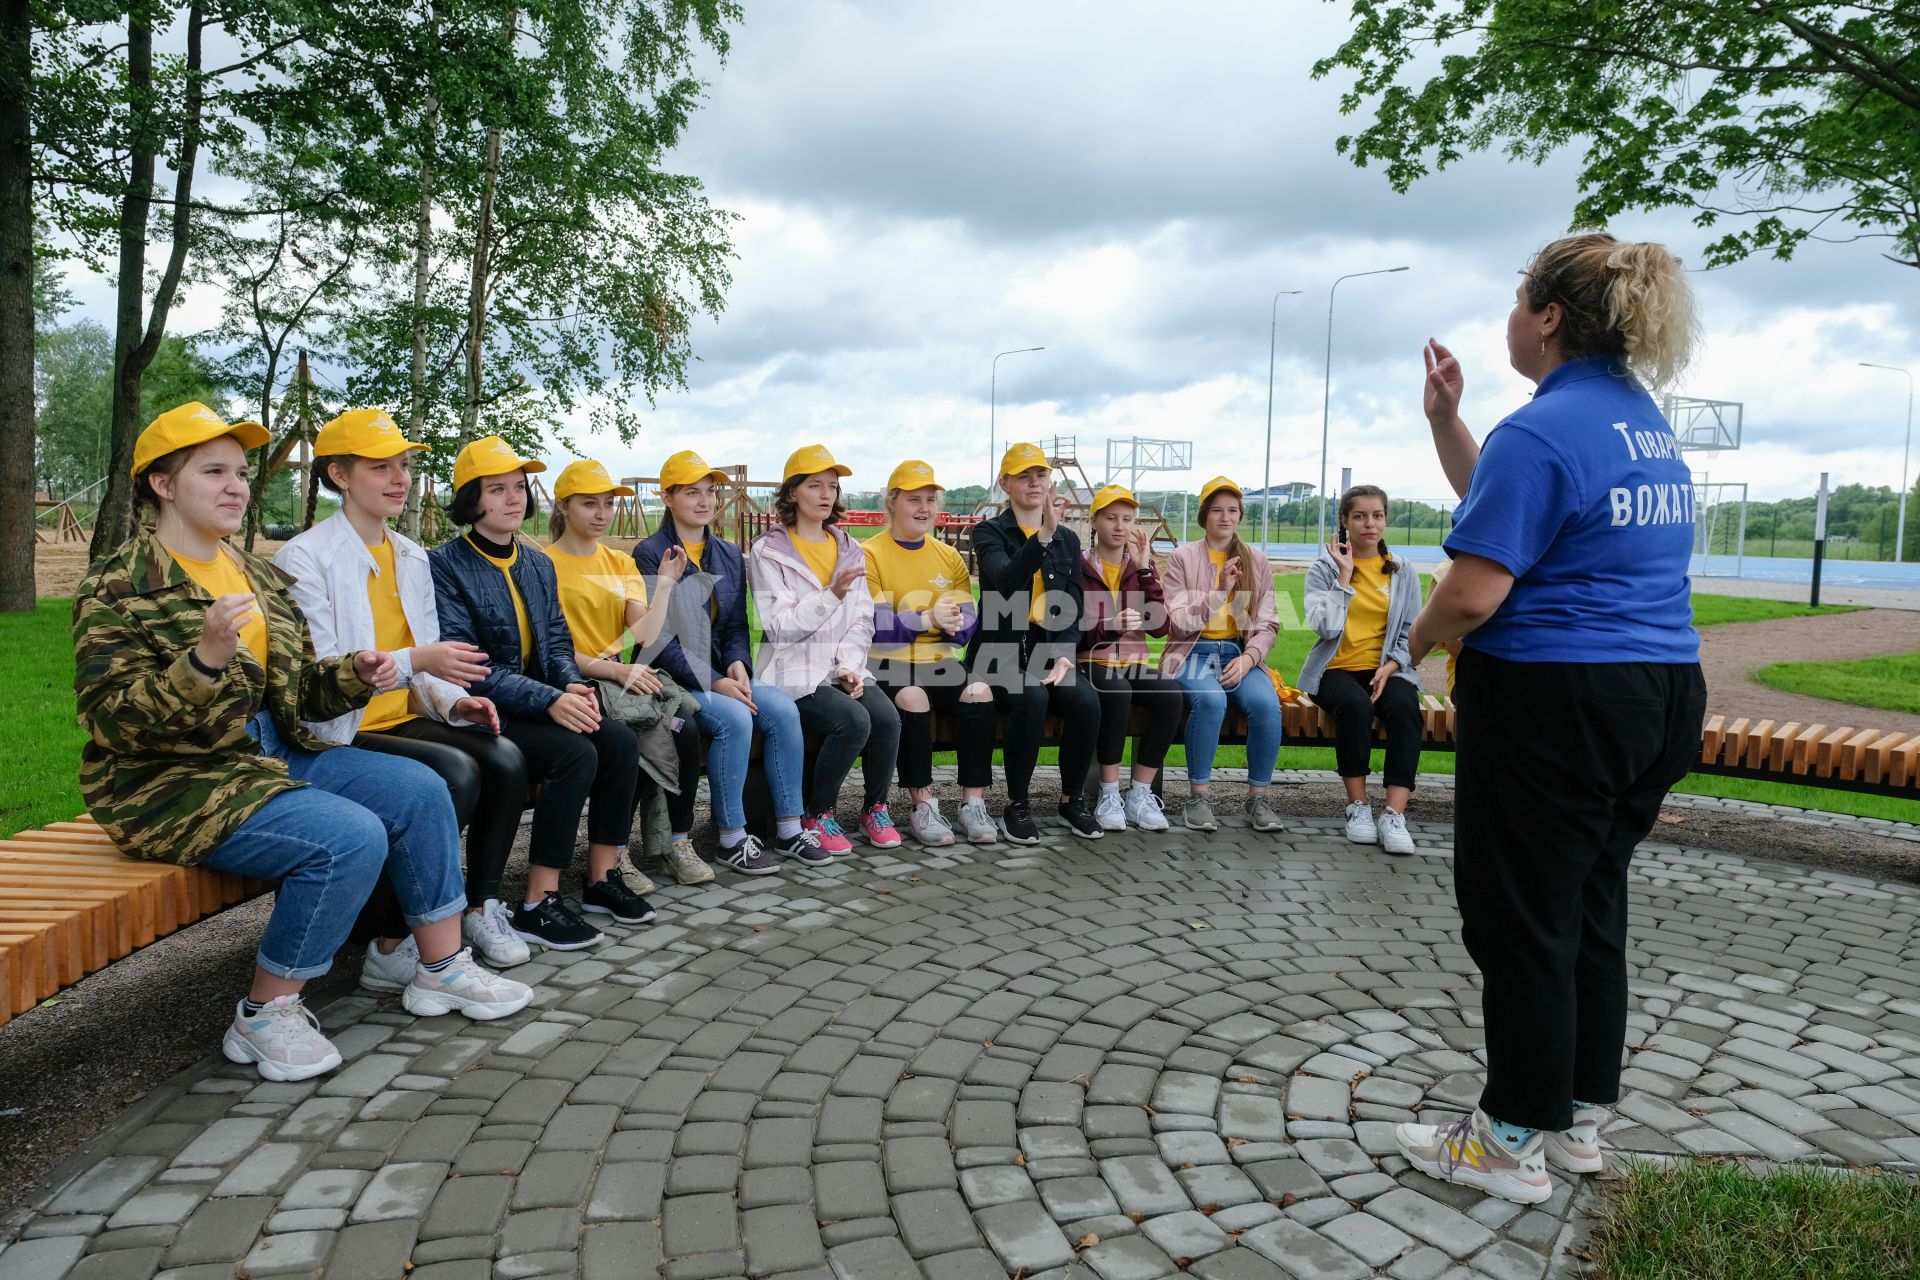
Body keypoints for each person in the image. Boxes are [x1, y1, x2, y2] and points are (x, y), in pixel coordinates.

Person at [74, 404, 530, 1081]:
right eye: (213, 472)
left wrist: (354, 674)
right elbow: (114, 723)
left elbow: (294, 694)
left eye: (239, 472)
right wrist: (200, 661)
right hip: (173, 780)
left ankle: (440, 966)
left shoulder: (255, 576)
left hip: (271, 752)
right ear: (163, 486)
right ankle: (265, 1012)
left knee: (421, 787)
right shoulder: (119, 586)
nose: (236, 486)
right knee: (347, 835)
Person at [1395, 232, 1709, 1205]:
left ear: (1548, 317)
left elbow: (1477, 585)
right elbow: (1508, 501)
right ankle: (1575, 1120)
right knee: (1588, 907)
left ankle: (1507, 1138)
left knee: (1522, 917)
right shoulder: (1633, 420)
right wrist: (1450, 424)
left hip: (1554, 700)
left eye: (1516, 296)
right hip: (1656, 694)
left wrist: (1412, 647)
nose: (1507, 316)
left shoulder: (1545, 430)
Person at [274, 408, 533, 972]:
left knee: (505, 758)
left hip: (402, 715)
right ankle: (390, 939)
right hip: (342, 730)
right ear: (339, 475)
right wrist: (416, 661)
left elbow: (426, 662)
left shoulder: (412, 555)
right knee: (454, 774)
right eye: (380, 467)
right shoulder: (304, 557)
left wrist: (455, 701)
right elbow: (325, 671)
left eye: (404, 465)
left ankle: (478, 906)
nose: (400, 478)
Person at [430, 436, 649, 949]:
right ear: (470, 499)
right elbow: (468, 666)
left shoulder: (535, 563)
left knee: (616, 741)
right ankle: (538, 901)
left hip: (535, 699)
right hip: (482, 710)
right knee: (573, 753)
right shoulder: (446, 566)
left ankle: (600, 880)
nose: (513, 498)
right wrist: (549, 699)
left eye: (519, 487)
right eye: (496, 489)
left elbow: (554, 642)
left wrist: (571, 684)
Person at [634, 449, 815, 872]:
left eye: (711, 492)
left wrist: (737, 665)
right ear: (666, 498)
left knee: (784, 710)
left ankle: (789, 827)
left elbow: (735, 624)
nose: (705, 501)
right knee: (735, 719)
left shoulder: (730, 554)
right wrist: (715, 681)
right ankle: (731, 838)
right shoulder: (650, 553)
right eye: (692, 492)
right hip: (673, 678)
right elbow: (659, 639)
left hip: (721, 675)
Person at [543, 458, 711, 888]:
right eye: (589, 504)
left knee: (683, 728)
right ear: (563, 507)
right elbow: (550, 648)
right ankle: (614, 854)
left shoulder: (618, 563)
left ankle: (677, 842)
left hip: (620, 679)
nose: (602, 514)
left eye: (607, 504)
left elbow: (645, 632)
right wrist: (614, 672)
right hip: (573, 681)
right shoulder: (543, 565)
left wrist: (667, 583)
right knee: (631, 736)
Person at [748, 445, 903, 853]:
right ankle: (818, 813)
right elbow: (780, 627)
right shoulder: (768, 552)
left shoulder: (850, 547)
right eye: (814, 485)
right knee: (852, 721)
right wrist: (831, 594)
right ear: (792, 493)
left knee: (885, 716)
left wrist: (850, 666)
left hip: (839, 670)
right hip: (791, 674)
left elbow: (862, 617)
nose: (825, 494)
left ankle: (874, 808)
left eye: (832, 486)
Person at [969, 442, 1102, 843]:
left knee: (1085, 700)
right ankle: (1017, 804)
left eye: (1040, 475)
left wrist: (1064, 654)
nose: (1033, 483)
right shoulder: (989, 532)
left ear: (1051, 481)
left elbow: (1073, 606)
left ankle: (1070, 800)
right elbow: (1007, 581)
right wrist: (1042, 534)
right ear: (1004, 483)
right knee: (1032, 697)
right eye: (1023, 475)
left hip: (1048, 648)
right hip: (1000, 650)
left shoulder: (1068, 541)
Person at [864, 460, 998, 846]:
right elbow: (875, 625)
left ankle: (973, 803)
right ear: (892, 503)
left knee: (980, 692)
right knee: (912, 697)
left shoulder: (948, 556)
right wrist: (927, 619)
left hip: (940, 661)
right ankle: (923, 805)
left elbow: (967, 619)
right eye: (913, 499)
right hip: (887, 663)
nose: (924, 508)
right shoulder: (870, 553)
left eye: (929, 499)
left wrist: (958, 625)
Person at [1300, 483, 1425, 855]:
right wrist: (1344, 577)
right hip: (1334, 671)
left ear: (1385, 520)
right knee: (1356, 707)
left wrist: (1392, 666)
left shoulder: (1402, 570)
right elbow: (1324, 627)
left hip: (1387, 668)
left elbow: (1411, 631)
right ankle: (1358, 807)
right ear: (1344, 521)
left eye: (1377, 515)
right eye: (1360, 516)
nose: (1369, 523)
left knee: (1406, 709)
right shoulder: (1323, 568)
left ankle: (1394, 814)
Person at [1161, 476, 1284, 833]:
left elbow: (1267, 622)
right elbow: (1177, 622)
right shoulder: (1183, 558)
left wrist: (1249, 659)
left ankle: (1257, 798)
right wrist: (1218, 592)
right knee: (1211, 701)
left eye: (1232, 510)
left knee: (1266, 705)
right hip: (1192, 652)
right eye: (1217, 510)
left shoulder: (1256, 560)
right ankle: (1198, 797)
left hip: (1237, 653)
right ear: (1204, 516)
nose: (1225, 517)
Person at [1076, 484, 1177, 831]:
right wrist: (1108, 626)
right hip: (1090, 660)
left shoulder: (1138, 570)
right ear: (1094, 521)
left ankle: (1140, 794)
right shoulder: (1078, 565)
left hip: (1132, 661)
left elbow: (1161, 627)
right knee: (1117, 691)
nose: (1120, 526)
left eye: (1127, 518)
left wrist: (1146, 568)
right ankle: (1108, 793)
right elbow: (1067, 628)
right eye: (1111, 517)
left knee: (1169, 693)